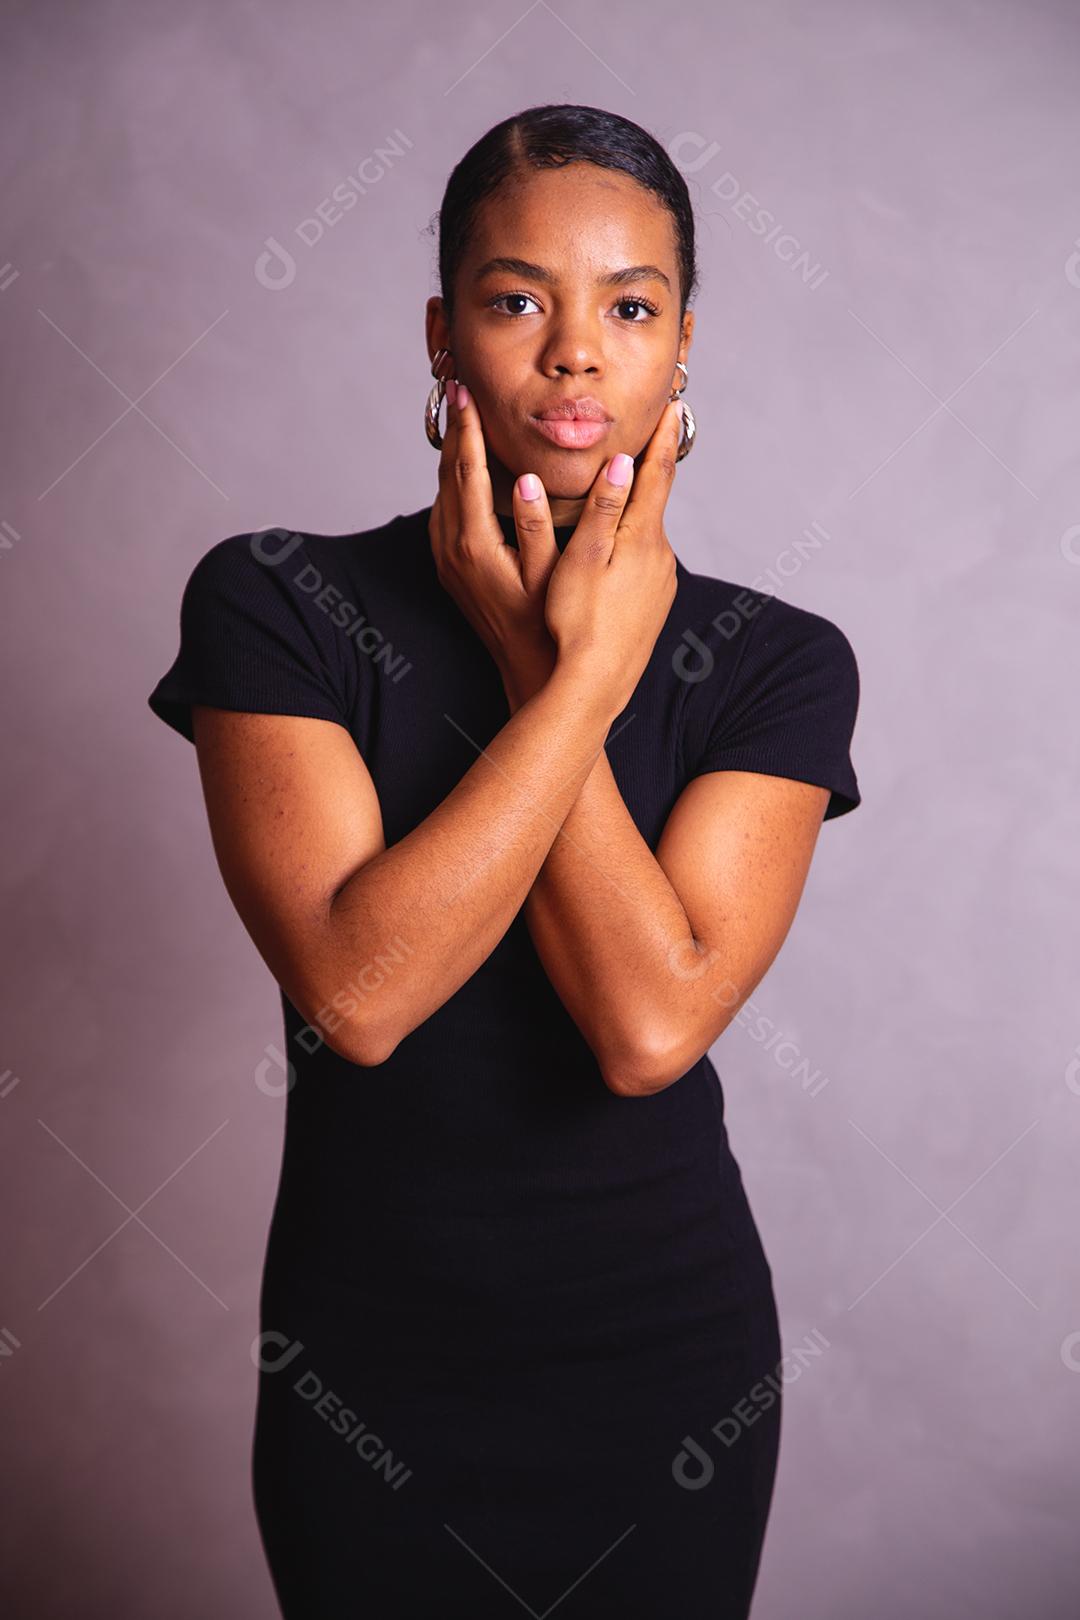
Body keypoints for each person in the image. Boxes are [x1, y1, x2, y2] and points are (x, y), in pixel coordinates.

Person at [147, 103, 861, 1620]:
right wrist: (570, 675)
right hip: (375, 1374)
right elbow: (361, 994)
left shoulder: (777, 663)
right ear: (440, 332)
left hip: (664, 1369)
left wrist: (567, 666)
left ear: (682, 347)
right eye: (517, 297)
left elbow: (648, 1027)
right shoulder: (277, 604)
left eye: (630, 306)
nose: (575, 353)